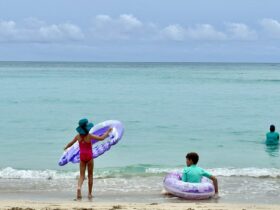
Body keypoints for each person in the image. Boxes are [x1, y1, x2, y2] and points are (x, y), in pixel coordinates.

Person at [64, 118, 112, 200]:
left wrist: (65, 147)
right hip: (89, 156)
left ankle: (79, 188)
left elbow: (71, 143)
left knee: (82, 176)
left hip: (82, 157)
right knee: (90, 175)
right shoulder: (89, 136)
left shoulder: (78, 137)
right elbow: (101, 138)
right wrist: (108, 132)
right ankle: (89, 194)